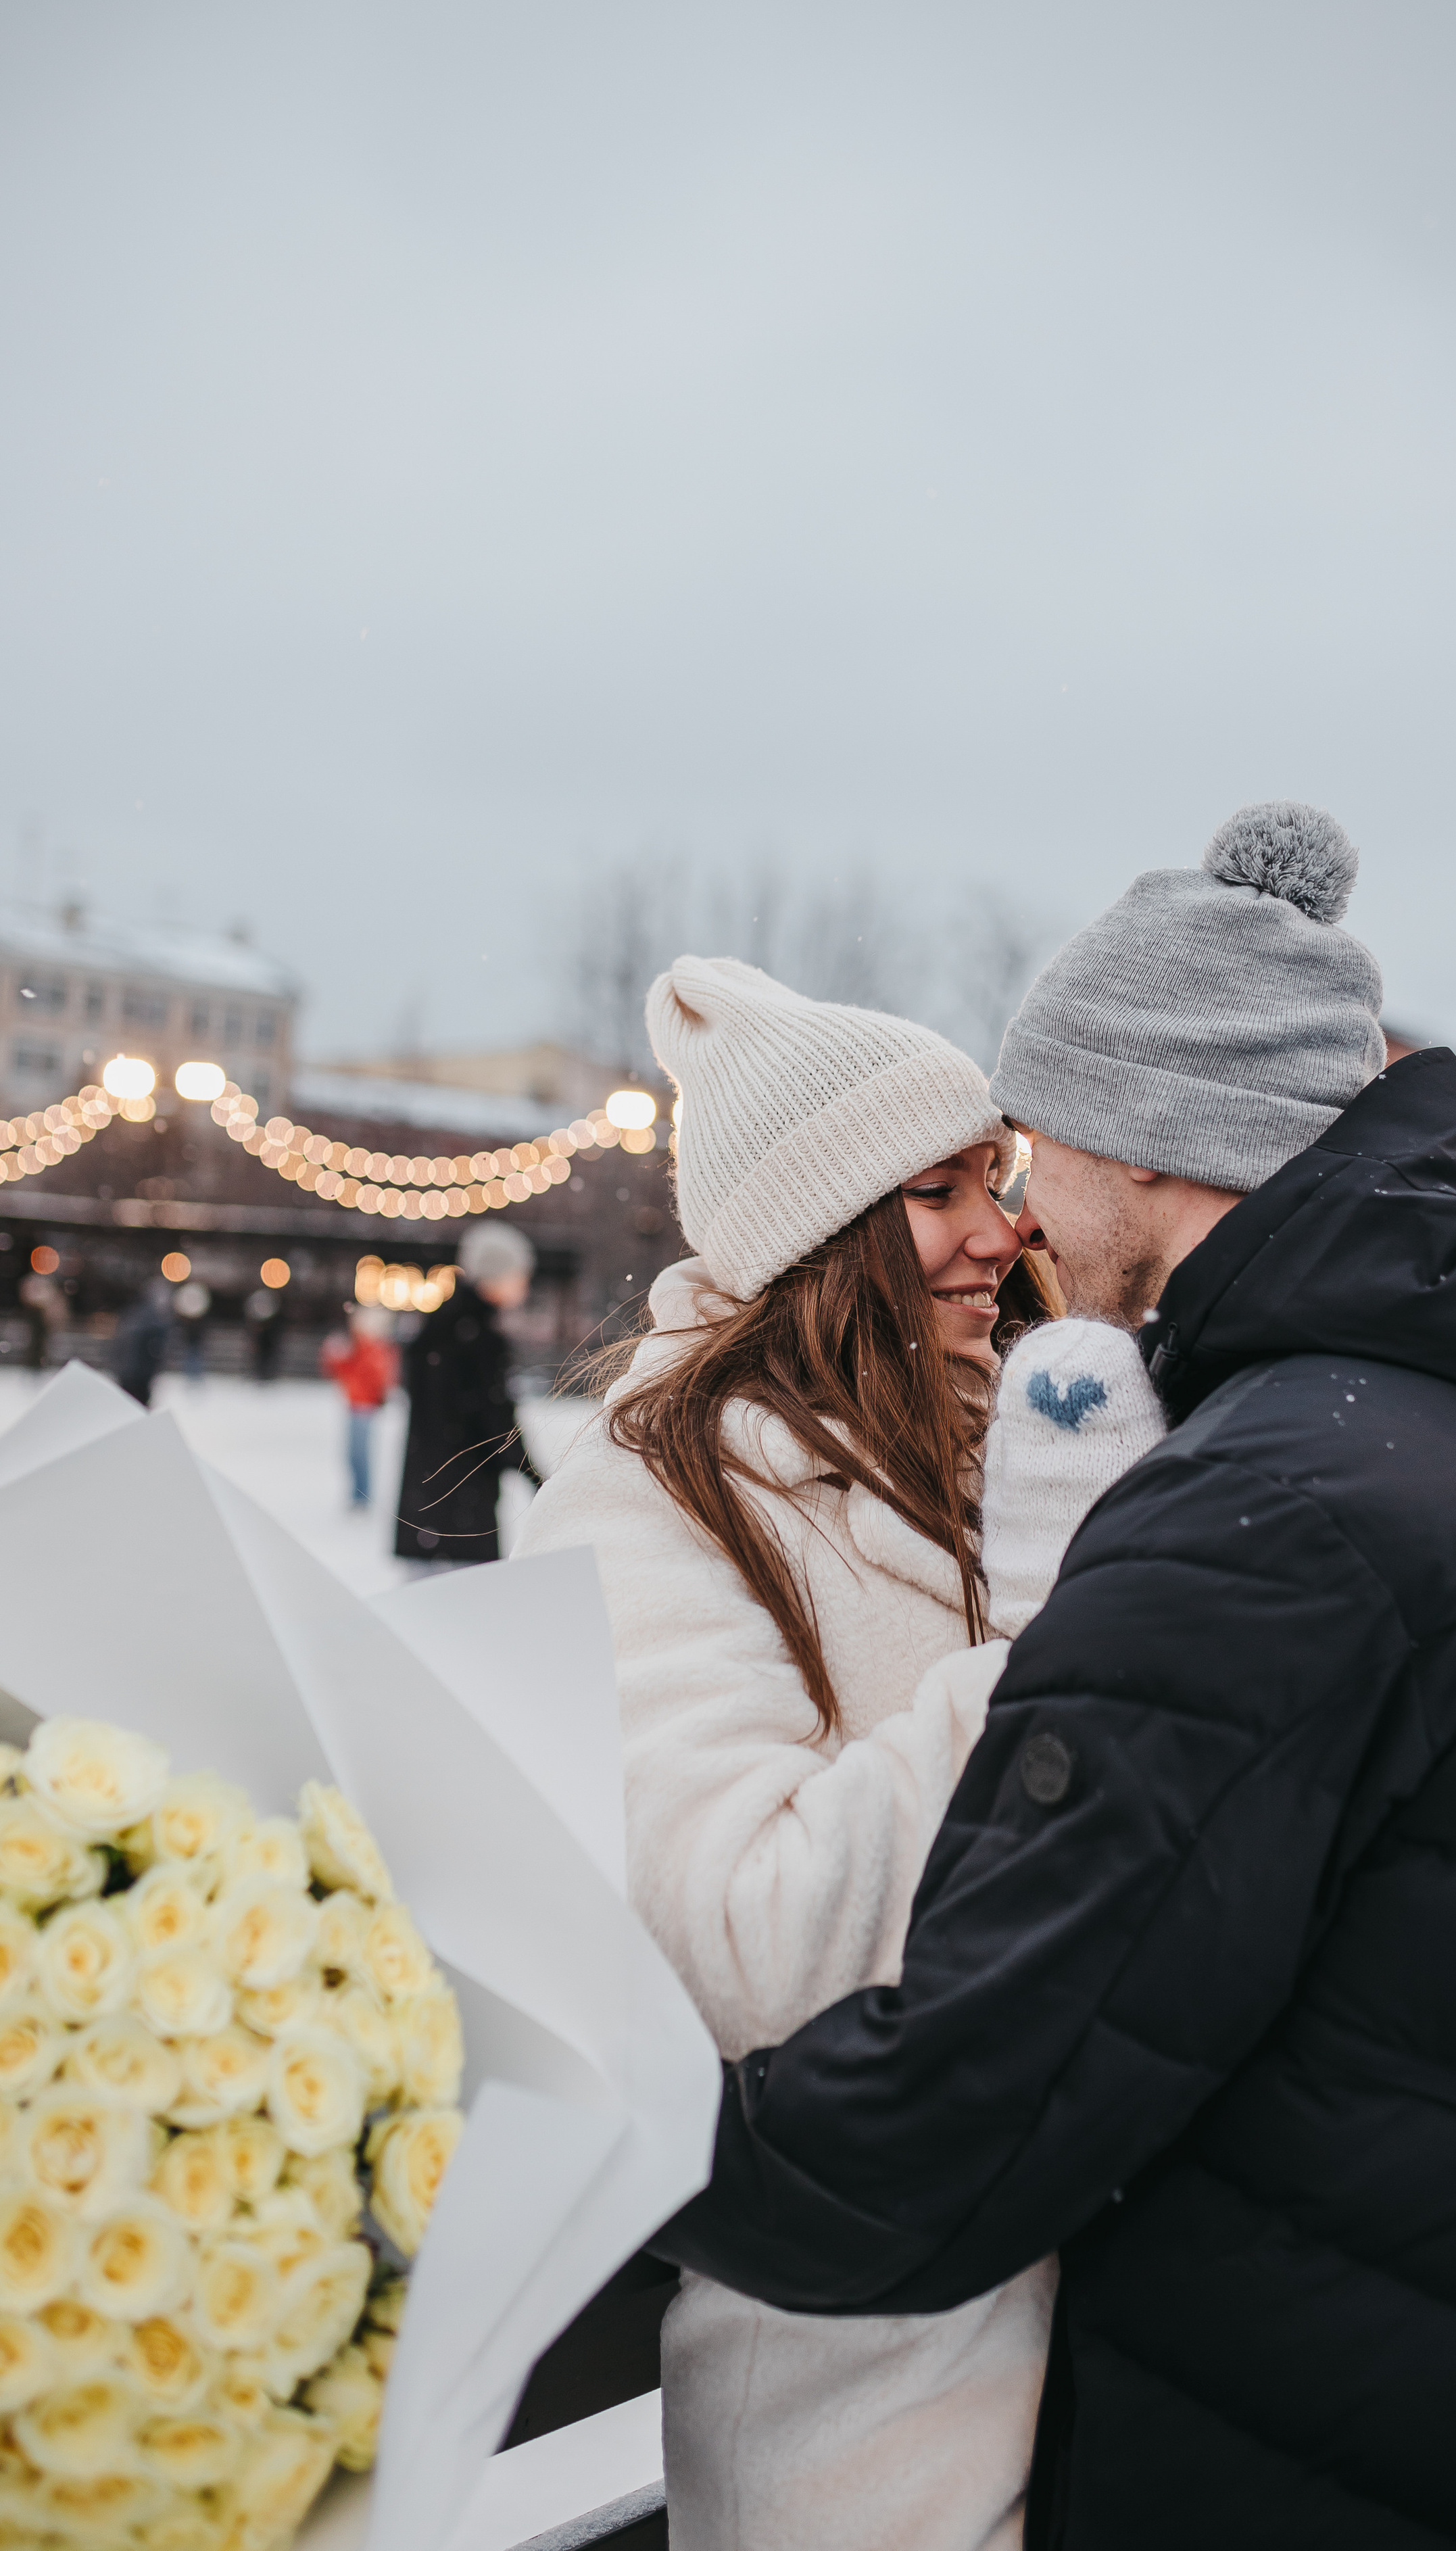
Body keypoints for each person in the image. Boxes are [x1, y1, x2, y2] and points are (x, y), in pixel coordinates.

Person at [658, 805, 1456, 2546]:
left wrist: (604, 2156)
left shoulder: (1269, 1511)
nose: (1018, 1216)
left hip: (1344, 2459)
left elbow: (970, 2101)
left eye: (1028, 1150)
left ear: (1143, 1142)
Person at [516, 956, 1062, 2551]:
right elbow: (741, 1937)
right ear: (820, 1224)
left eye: (1000, 1179)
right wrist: (1062, 1671)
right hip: (866, 2418)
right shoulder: (660, 1499)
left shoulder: (990, 1446)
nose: (999, 1228)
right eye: (939, 1190)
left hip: (1073, 2353)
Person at [394, 1219, 541, 1572]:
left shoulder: (436, 1326)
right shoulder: (477, 1338)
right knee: (463, 1612)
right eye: (519, 1276)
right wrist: (535, 1476)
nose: (524, 1286)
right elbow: (493, 1420)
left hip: (428, 1503)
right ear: (495, 1276)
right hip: (463, 1507)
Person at [320, 1303, 399, 1508]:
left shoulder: (374, 1348)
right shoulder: (361, 1347)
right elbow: (341, 1370)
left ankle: (362, 1496)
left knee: (359, 1454)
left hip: (365, 1407)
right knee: (353, 1454)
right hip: (355, 1404)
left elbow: (378, 1378)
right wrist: (332, 1355)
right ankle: (358, 1493)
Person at [112, 1278, 171, 1408]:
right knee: (138, 1407)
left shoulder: (132, 1313)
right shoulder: (154, 1320)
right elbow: (154, 1349)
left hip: (127, 1371)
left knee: (128, 1406)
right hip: (139, 1373)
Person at [172, 1278, 211, 1385]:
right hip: (192, 1337)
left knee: (194, 1356)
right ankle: (192, 1376)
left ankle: (194, 1376)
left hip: (195, 1337)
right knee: (192, 1356)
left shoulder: (198, 1318)